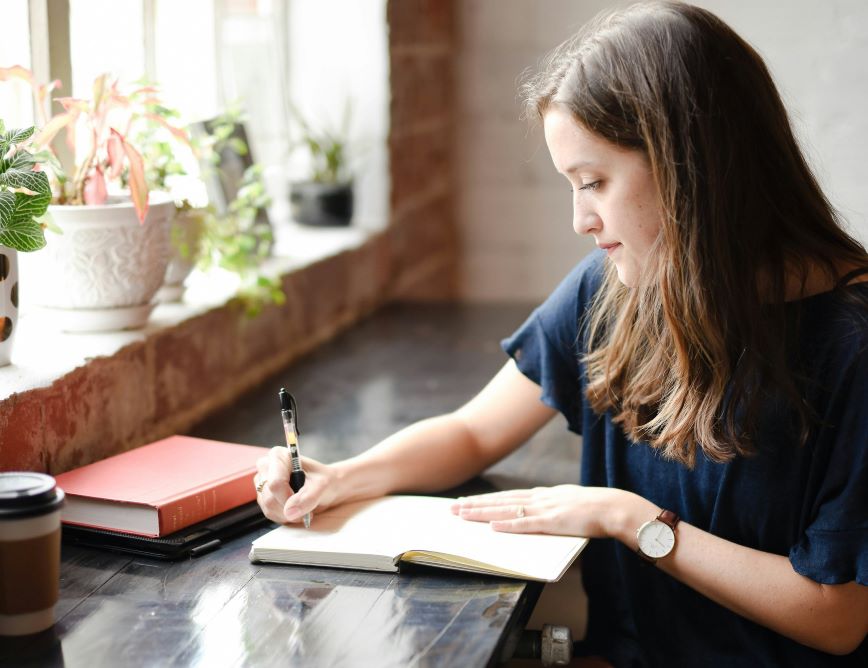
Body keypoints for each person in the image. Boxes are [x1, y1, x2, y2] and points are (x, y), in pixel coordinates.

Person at [255, 2, 868, 664]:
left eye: (595, 182)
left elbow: (834, 615)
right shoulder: (614, 288)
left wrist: (630, 520)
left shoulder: (852, 345)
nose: (581, 219)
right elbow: (473, 432)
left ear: (691, 166)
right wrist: (342, 478)